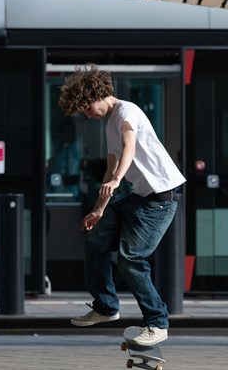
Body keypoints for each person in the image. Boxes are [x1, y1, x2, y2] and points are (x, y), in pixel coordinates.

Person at [58, 64, 185, 346]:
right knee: (95, 239)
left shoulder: (127, 113)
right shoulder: (110, 124)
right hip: (139, 198)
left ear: (97, 95)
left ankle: (158, 323)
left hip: (161, 199)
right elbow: (111, 166)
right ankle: (105, 306)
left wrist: (116, 181)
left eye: (86, 108)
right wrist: (98, 209)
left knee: (131, 258)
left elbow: (129, 148)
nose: (87, 115)